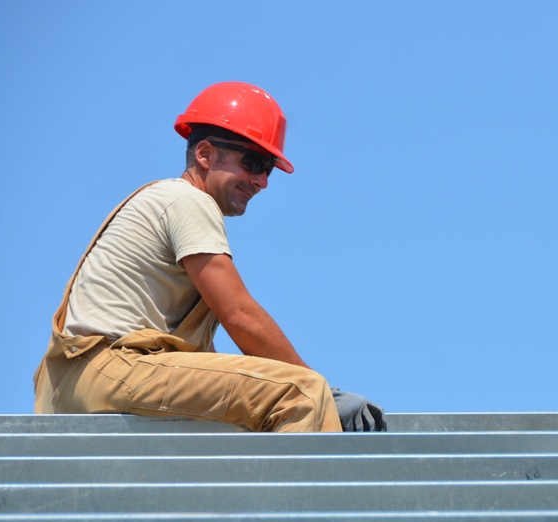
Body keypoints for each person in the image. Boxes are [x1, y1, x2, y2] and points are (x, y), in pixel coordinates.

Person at [34, 81, 384, 432]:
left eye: (268, 169)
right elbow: (239, 314)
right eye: (253, 162)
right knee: (300, 394)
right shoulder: (188, 201)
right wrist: (323, 393)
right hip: (109, 370)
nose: (262, 181)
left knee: (255, 405)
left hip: (84, 380)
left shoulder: (165, 202)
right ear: (204, 154)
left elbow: (213, 365)